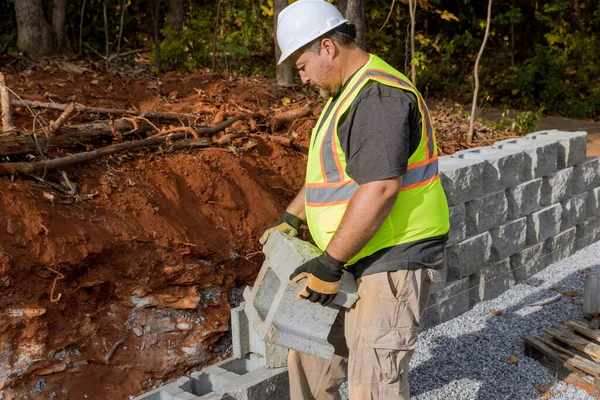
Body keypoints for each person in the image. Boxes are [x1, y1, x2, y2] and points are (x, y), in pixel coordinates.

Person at [260, 0, 450, 398]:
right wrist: (293, 218)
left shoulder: (377, 97)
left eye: (302, 66)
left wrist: (329, 265)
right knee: (308, 352)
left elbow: (380, 188)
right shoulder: (347, 93)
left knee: (374, 382)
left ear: (327, 47)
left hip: (392, 257)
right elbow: (333, 175)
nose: (304, 78)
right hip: (353, 253)